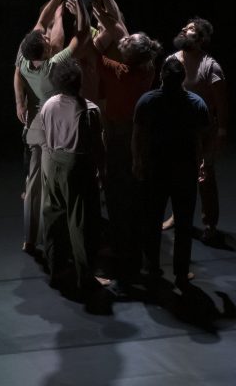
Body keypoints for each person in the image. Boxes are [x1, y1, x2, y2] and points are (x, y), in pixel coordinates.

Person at [13, 0, 85, 257]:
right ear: (44, 52)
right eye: (45, 41)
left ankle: (29, 239)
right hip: (50, 129)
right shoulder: (51, 66)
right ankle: (51, 240)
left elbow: (42, 21)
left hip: (34, 127)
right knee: (47, 187)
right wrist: (77, 7)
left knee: (32, 184)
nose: (46, 37)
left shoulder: (23, 58)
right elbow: (79, 38)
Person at [132, 56, 211, 290]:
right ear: (183, 78)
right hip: (184, 170)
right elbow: (203, 138)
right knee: (184, 224)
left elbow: (137, 135)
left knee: (152, 220)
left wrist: (137, 161)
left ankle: (151, 268)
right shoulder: (196, 103)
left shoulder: (147, 101)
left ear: (161, 77)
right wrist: (203, 162)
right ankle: (181, 273)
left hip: (155, 168)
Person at [39, 55, 110, 299]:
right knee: (80, 222)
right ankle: (85, 276)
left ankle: (56, 269)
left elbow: (45, 134)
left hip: (52, 161)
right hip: (76, 164)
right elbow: (98, 146)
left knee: (53, 215)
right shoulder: (89, 110)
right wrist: (102, 171)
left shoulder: (49, 104)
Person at [96, 31, 163, 292]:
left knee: (115, 191)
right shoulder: (148, 70)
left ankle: (120, 247)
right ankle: (138, 249)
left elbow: (91, 51)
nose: (121, 43)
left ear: (129, 57)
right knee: (136, 192)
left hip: (118, 135)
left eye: (125, 45)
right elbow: (125, 38)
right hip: (140, 134)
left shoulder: (119, 72)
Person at [164, 17, 228, 243]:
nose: (184, 29)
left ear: (201, 39)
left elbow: (221, 103)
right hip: (177, 130)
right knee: (177, 176)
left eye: (190, 29)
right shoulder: (172, 61)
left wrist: (221, 132)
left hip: (203, 131)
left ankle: (209, 224)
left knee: (205, 178)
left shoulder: (210, 67)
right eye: (186, 26)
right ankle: (177, 215)